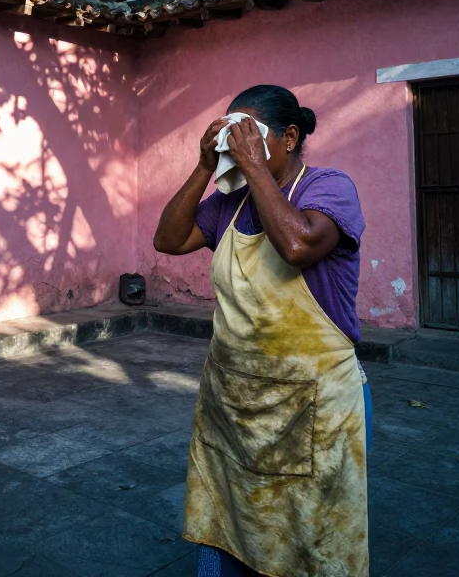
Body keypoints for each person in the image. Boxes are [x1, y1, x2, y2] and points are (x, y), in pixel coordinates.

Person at [153, 84, 370, 577]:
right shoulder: (230, 203)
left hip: (312, 412)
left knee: (310, 540)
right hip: (231, 404)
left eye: (251, 134)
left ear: (289, 137)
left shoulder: (329, 187)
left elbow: (298, 244)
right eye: (233, 135)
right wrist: (207, 166)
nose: (240, 145)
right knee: (228, 524)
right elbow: (167, 239)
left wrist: (252, 166)